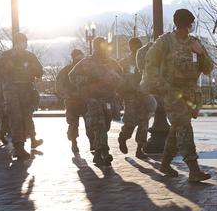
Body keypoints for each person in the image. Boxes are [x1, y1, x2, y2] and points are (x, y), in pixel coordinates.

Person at [142, 9, 213, 182]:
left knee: (177, 129)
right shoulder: (165, 41)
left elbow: (208, 68)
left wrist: (201, 53)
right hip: (173, 92)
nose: (189, 28)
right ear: (182, 24)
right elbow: (149, 64)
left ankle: (165, 164)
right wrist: (162, 86)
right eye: (188, 24)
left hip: (191, 93)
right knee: (184, 127)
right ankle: (194, 169)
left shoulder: (194, 42)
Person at [69, 37, 123, 166]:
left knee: (106, 125)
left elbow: (121, 76)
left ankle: (98, 154)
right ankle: (105, 151)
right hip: (93, 99)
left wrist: (114, 80)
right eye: (99, 46)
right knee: (100, 125)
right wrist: (88, 80)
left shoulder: (112, 63)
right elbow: (72, 76)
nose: (101, 49)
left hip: (109, 98)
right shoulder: (86, 62)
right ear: (95, 47)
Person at [0, 33, 44, 159]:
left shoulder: (30, 56)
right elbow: (0, 71)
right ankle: (19, 147)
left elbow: (40, 71)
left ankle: (28, 141)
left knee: (26, 116)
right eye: (23, 41)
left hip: (26, 89)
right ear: (17, 42)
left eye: (25, 42)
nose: (24, 44)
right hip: (12, 90)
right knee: (15, 116)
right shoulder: (6, 55)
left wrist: (35, 70)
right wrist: (9, 68)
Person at [118, 37, 156, 159]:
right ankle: (123, 137)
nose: (136, 48)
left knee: (144, 122)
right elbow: (119, 79)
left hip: (144, 95)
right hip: (130, 96)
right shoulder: (124, 62)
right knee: (130, 122)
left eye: (139, 45)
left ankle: (140, 148)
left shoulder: (146, 60)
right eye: (134, 46)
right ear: (130, 47)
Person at [56, 49, 93, 154]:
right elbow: (59, 85)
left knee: (90, 123)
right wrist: (66, 94)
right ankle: (74, 143)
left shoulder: (88, 70)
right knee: (73, 124)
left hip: (85, 101)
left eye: (81, 56)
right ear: (74, 57)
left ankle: (92, 143)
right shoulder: (66, 70)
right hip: (72, 101)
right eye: (79, 56)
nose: (81, 58)